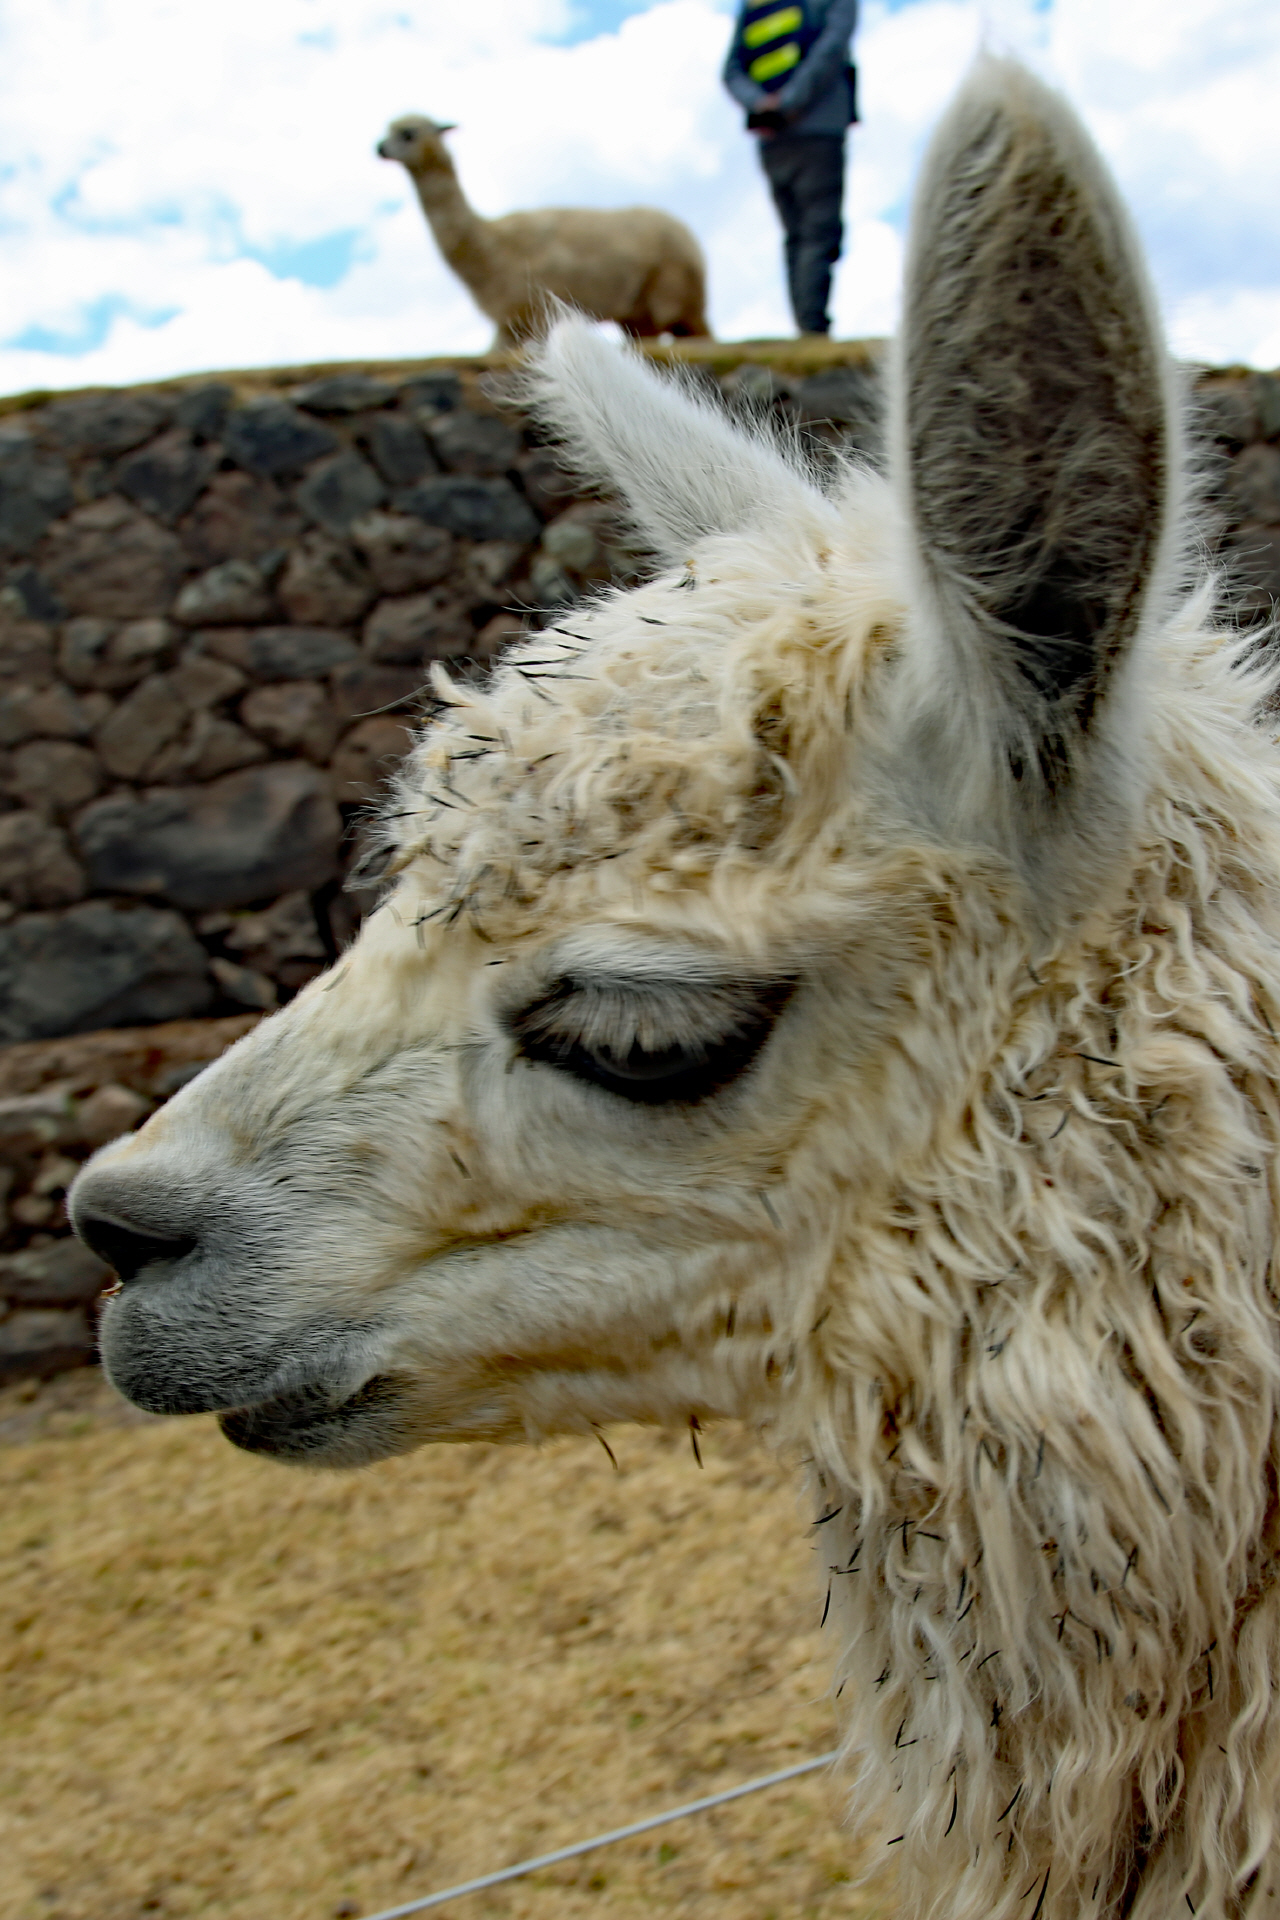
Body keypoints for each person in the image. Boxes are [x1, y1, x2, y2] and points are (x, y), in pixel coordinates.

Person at [722, 0, 859, 337]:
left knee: (797, 235)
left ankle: (806, 324)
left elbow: (732, 70)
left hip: (772, 136)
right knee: (817, 232)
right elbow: (832, 46)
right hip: (817, 128)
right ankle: (812, 328)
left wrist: (760, 104)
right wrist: (790, 101)